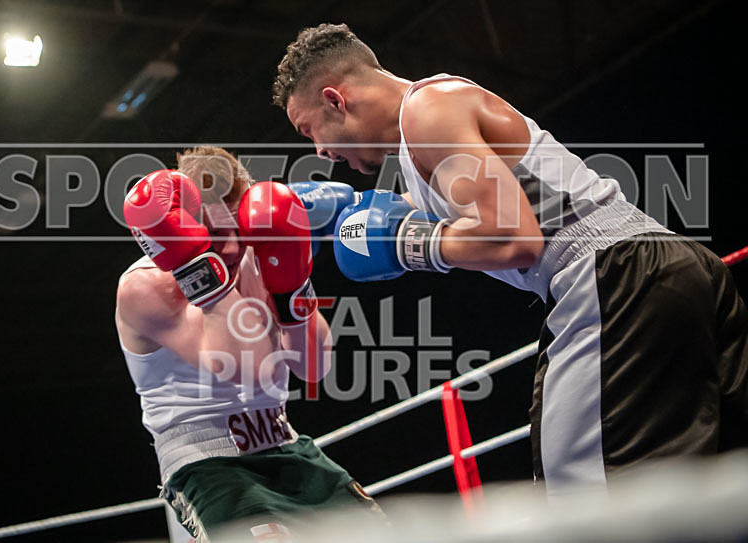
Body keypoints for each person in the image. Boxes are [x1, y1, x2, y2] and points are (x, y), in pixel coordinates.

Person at [272, 23, 748, 495]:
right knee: (715, 492)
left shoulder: (426, 111)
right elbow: (460, 227)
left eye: (309, 129)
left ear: (335, 99)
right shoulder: (423, 137)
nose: (319, 151)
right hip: (672, 271)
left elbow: (516, 238)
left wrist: (408, 245)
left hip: (614, 280)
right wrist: (344, 219)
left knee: (589, 500)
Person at [115, 146, 381, 541]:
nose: (234, 247)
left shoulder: (264, 250)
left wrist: (293, 287)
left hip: (285, 443)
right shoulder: (146, 287)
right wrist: (197, 266)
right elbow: (248, 369)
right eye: (216, 234)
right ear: (183, 225)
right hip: (208, 464)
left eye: (238, 228)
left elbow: (314, 368)